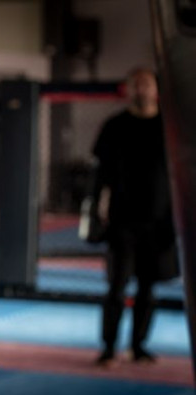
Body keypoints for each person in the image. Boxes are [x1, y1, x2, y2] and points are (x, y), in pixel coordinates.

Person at [89, 67, 179, 367]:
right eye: (136, 84)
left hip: (159, 220)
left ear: (156, 89)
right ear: (128, 89)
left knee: (147, 288)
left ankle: (139, 346)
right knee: (117, 287)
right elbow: (99, 176)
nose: (141, 89)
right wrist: (95, 212)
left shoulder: (169, 127)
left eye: (146, 84)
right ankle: (108, 348)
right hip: (123, 220)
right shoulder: (115, 127)